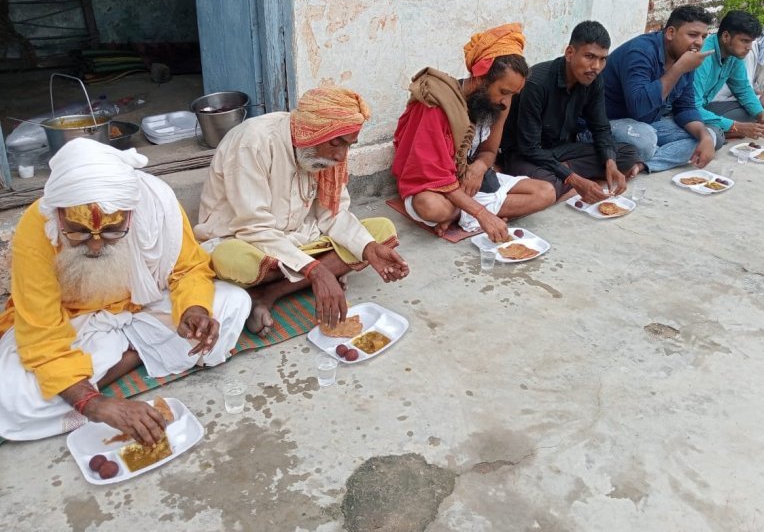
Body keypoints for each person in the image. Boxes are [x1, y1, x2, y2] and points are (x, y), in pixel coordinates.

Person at [0, 139, 250, 442]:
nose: (94, 245)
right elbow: (41, 332)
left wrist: (193, 309)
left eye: (111, 232)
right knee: (13, 399)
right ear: (59, 215)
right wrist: (92, 404)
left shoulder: (156, 205)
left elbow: (189, 268)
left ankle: (129, 352)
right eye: (78, 233)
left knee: (234, 301)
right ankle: (138, 354)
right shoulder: (37, 228)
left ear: (130, 215)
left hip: (145, 305)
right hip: (76, 324)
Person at [195, 88, 409, 336]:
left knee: (380, 233)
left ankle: (267, 294)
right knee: (233, 260)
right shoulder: (253, 142)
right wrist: (316, 270)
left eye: (348, 145)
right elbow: (253, 227)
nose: (341, 156)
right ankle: (316, 276)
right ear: (312, 131)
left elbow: (333, 214)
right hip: (246, 240)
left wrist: (369, 248)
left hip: (301, 239)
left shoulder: (329, 156)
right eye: (336, 143)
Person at [391, 23, 556, 243]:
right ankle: (468, 215)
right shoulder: (436, 104)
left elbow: (489, 151)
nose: (506, 102)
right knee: (430, 207)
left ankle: (457, 217)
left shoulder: (499, 105)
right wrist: (482, 214)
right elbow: (431, 175)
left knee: (546, 192)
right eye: (504, 92)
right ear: (480, 77)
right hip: (433, 186)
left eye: (513, 95)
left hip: (469, 183)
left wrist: (478, 168)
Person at [500, 21, 641, 203]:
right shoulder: (537, 82)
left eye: (602, 59)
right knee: (547, 186)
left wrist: (610, 162)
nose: (596, 66)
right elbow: (529, 148)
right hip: (526, 155)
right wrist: (572, 177)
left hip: (562, 151)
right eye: (589, 56)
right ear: (570, 53)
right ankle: (566, 179)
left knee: (628, 153)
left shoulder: (593, 80)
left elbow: (600, 127)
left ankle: (563, 176)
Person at [604, 5, 722, 173]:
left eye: (703, 36)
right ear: (670, 33)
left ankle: (644, 164)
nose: (699, 43)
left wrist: (704, 137)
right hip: (610, 122)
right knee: (646, 141)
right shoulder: (640, 52)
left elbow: (685, 107)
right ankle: (656, 152)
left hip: (649, 123)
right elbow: (638, 107)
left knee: (711, 135)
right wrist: (679, 68)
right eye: (692, 35)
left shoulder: (686, 56)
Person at [693, 10, 764, 139]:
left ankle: (719, 130)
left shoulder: (734, 56)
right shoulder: (704, 56)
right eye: (744, 41)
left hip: (706, 107)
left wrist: (762, 117)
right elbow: (691, 107)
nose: (749, 47)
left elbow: (743, 90)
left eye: (751, 42)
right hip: (688, 110)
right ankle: (718, 132)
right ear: (726, 36)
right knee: (716, 138)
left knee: (757, 110)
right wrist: (736, 126)